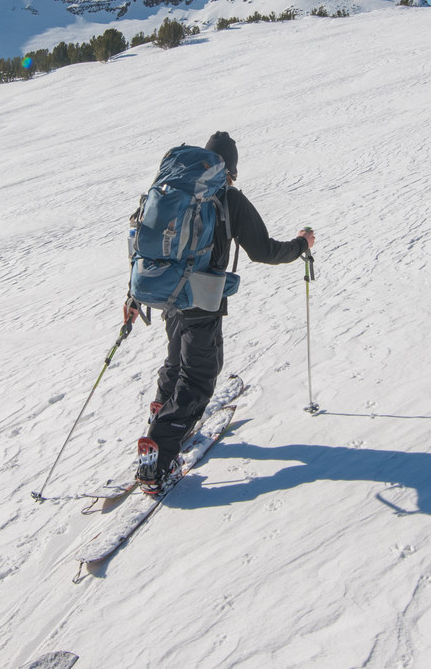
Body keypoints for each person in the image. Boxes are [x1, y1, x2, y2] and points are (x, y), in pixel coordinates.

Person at [125, 132, 314, 492]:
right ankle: (158, 458)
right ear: (231, 168)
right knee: (199, 376)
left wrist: (133, 297)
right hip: (202, 300)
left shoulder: (173, 191)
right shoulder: (229, 199)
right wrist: (300, 245)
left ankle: (160, 414)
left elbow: (144, 245)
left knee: (176, 362)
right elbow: (264, 251)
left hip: (166, 294)